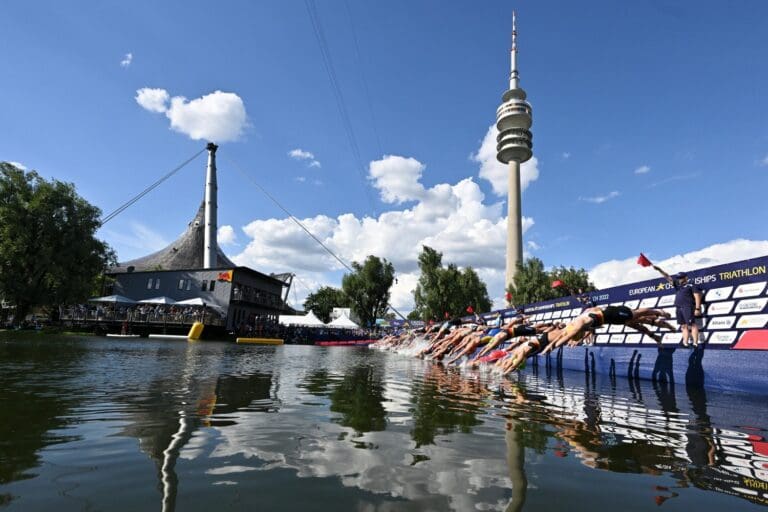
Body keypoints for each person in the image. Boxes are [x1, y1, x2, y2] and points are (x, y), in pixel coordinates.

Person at [653, 265, 703, 347]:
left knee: (692, 325)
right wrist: (660, 270)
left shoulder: (691, 285)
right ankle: (685, 343)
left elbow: (697, 296)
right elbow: (667, 277)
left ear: (686, 278)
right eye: (678, 278)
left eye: (681, 278)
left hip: (688, 307)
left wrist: (697, 308)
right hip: (679, 308)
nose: (679, 279)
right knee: (683, 326)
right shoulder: (677, 285)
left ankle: (695, 343)